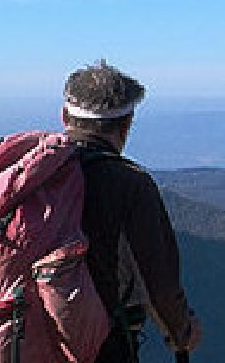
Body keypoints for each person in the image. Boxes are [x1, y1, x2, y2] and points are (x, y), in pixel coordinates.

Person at [59, 61, 202, 362]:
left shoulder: (31, 177)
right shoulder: (129, 184)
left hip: (23, 339)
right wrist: (182, 332)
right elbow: (159, 283)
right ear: (126, 125)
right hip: (101, 345)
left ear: (64, 117)